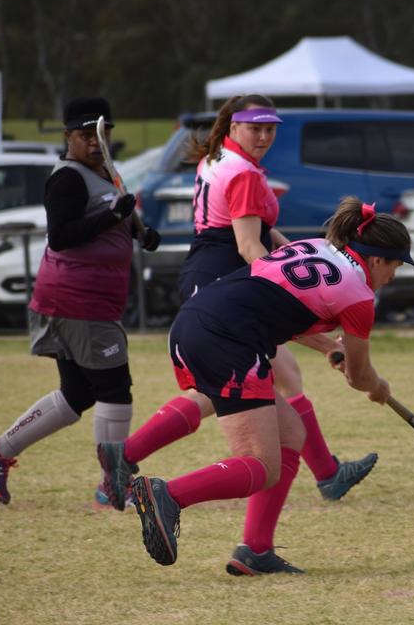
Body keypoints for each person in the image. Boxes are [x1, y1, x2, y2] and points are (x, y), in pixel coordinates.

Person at [95, 95, 376, 516]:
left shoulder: (218, 159)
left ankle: (324, 474)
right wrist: (310, 319)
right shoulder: (244, 174)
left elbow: (257, 228)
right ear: (232, 126)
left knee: (279, 384)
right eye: (255, 128)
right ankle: (127, 456)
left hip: (213, 278)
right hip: (224, 285)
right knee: (238, 395)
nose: (264, 136)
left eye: (270, 128)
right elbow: (248, 246)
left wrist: (292, 252)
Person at [124, 195, 414, 574]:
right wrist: (377, 386)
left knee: (290, 432)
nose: (393, 276)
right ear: (376, 260)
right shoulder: (360, 296)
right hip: (226, 338)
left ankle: (256, 551)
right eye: (395, 266)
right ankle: (168, 495)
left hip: (197, 322)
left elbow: (277, 304)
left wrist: (327, 345)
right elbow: (359, 376)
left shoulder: (315, 248)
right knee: (261, 464)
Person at [0, 96, 161, 507]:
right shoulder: (68, 178)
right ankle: (114, 482)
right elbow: (63, 234)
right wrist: (112, 218)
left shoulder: (104, 171)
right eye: (84, 134)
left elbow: (113, 219)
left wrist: (140, 233)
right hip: (78, 301)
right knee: (114, 389)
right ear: (68, 137)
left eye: (100, 133)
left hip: (84, 301)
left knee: (77, 392)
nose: (94, 141)